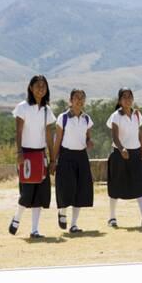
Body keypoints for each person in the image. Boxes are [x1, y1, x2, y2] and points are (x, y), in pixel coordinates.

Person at [8, 75, 56, 238]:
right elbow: (19, 131)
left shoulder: (47, 110)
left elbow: (49, 136)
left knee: (40, 192)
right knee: (27, 191)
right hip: (27, 154)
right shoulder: (23, 107)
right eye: (38, 86)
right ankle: (17, 218)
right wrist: (19, 152)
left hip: (41, 154)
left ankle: (34, 229)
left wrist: (52, 159)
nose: (41, 89)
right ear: (30, 87)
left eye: (44, 86)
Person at [105, 87, 142, 228]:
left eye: (130, 96)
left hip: (135, 154)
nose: (127, 99)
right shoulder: (116, 116)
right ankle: (112, 218)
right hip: (119, 154)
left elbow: (139, 134)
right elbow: (114, 136)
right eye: (124, 97)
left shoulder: (136, 115)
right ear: (119, 100)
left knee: (139, 184)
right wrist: (122, 148)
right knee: (116, 185)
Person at [52, 89, 95, 233]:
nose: (80, 100)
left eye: (82, 98)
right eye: (77, 97)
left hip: (81, 156)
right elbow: (57, 140)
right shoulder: (63, 118)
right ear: (70, 100)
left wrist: (89, 142)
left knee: (81, 190)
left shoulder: (86, 119)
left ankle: (74, 225)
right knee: (66, 187)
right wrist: (53, 160)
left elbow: (88, 137)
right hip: (66, 156)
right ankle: (62, 212)